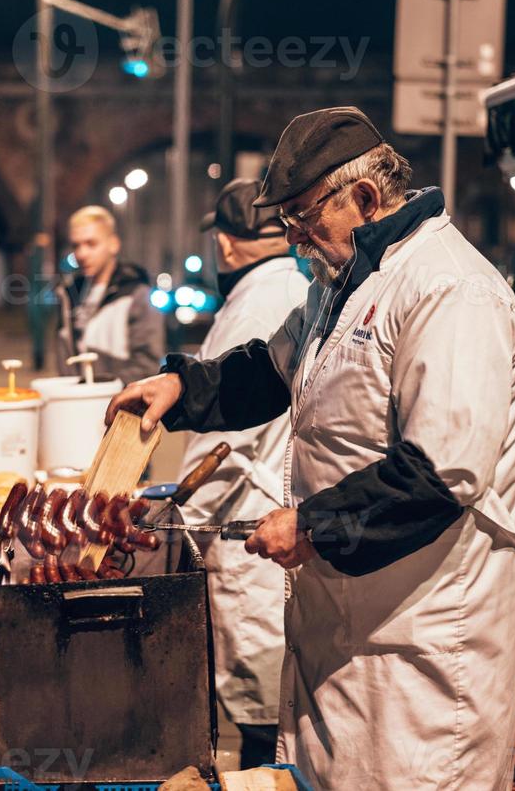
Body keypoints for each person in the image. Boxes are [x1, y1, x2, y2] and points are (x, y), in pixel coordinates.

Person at [106, 107, 515, 790]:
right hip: (347, 627)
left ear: (365, 196)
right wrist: (179, 391)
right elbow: (271, 371)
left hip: (423, 646)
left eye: (306, 220)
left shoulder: (451, 290)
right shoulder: (343, 282)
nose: (298, 240)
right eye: (290, 226)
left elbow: (444, 475)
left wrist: (312, 525)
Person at [178, 178, 308, 769]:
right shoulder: (289, 284)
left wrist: (177, 520)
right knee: (266, 695)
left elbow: (222, 438)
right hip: (267, 513)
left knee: (262, 706)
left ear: (226, 246)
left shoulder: (258, 297)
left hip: (249, 524)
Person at [56, 205, 164, 385]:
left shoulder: (136, 295)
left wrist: (101, 389)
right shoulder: (70, 294)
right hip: (77, 405)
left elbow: (147, 366)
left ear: (113, 244)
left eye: (91, 244)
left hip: (118, 408)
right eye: (76, 245)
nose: (82, 254)